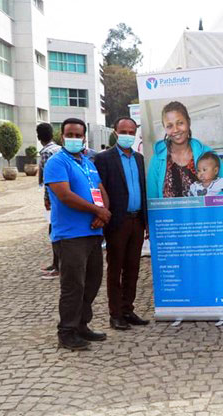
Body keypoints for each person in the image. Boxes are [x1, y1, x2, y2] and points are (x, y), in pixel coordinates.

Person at [45, 118, 112, 350]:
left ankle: (82, 325)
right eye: (69, 134)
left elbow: (100, 190)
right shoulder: (57, 162)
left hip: (93, 232)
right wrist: (98, 211)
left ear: (84, 137)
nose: (74, 138)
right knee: (73, 285)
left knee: (92, 282)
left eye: (78, 135)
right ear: (62, 136)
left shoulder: (87, 162)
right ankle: (67, 332)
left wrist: (103, 213)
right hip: (71, 236)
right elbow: (65, 195)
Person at [94, 117, 149, 331]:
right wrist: (103, 217)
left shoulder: (139, 159)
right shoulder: (104, 159)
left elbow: (143, 191)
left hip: (137, 221)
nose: (127, 134)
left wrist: (146, 221)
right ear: (115, 133)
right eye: (123, 131)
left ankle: (128, 309)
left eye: (131, 131)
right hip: (117, 222)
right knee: (115, 268)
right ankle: (115, 314)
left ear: (136, 134)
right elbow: (99, 192)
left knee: (133, 268)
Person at [147, 101, 223, 198]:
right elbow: (152, 201)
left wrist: (213, 199)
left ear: (188, 122)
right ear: (164, 128)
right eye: (169, 126)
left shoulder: (206, 154)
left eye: (180, 123)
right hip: (169, 213)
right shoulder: (157, 159)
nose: (175, 130)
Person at [37, 123, 62, 278]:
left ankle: (58, 265)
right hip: (62, 196)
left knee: (54, 231)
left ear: (39, 137)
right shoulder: (58, 148)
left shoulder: (47, 152)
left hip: (54, 197)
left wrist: (47, 199)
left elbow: (48, 179)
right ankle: (56, 263)